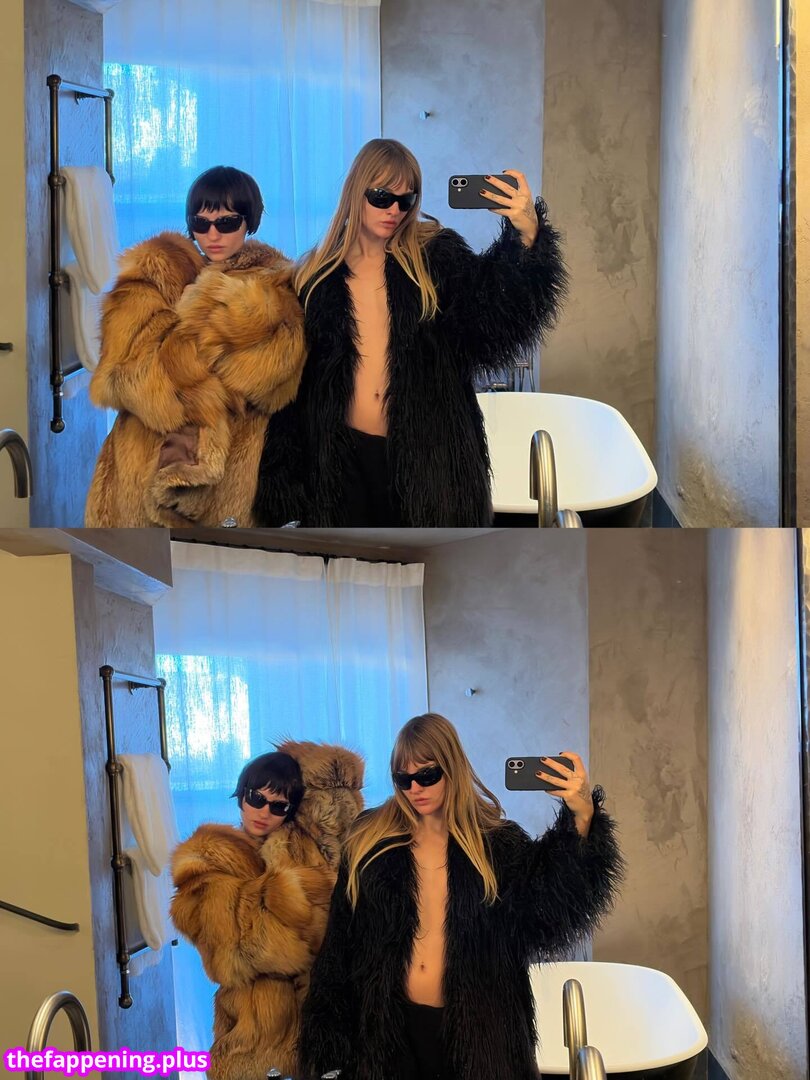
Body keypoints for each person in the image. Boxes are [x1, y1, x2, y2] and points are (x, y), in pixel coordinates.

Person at [253, 138, 569, 527]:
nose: (394, 210)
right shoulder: (316, 277)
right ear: (356, 190)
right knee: (352, 562)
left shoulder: (435, 258)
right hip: (340, 465)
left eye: (406, 200)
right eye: (382, 197)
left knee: (430, 561)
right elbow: (296, 390)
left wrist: (527, 235)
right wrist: (284, 488)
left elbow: (495, 320)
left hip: (429, 460)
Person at [299, 713, 623, 1080]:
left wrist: (582, 815)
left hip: (480, 1033)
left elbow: (550, 911)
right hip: (387, 1034)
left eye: (427, 775)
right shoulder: (370, 840)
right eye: (403, 779)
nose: (415, 788)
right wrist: (328, 1052)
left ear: (451, 767)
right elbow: (339, 947)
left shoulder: (497, 845)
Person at [86, 165, 306, 527]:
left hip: (229, 478)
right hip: (135, 469)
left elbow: (270, 377)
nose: (213, 234)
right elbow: (124, 377)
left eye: (227, 222)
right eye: (201, 223)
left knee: (217, 561)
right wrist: (210, 363)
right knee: (131, 560)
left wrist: (192, 313)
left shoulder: (276, 288)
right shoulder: (152, 275)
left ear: (249, 221)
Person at [170, 741, 364, 1080]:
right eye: (257, 798)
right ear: (241, 794)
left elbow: (337, 922)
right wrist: (307, 896)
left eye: (279, 806)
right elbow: (236, 951)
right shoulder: (204, 859)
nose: (264, 812)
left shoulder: (297, 847)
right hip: (252, 1039)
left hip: (316, 1030)